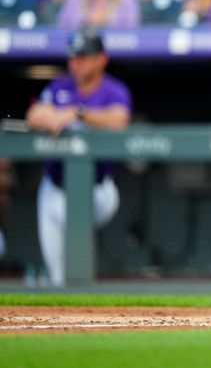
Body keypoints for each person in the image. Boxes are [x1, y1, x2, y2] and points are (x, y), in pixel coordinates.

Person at [25, 27, 131, 286]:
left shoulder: (113, 90)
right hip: (55, 187)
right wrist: (47, 116)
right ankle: (67, 318)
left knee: (75, 237)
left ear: (101, 59)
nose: (77, 63)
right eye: (73, 57)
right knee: (59, 277)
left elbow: (119, 120)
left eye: (83, 57)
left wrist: (77, 113)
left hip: (97, 191)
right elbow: (34, 116)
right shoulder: (59, 85)